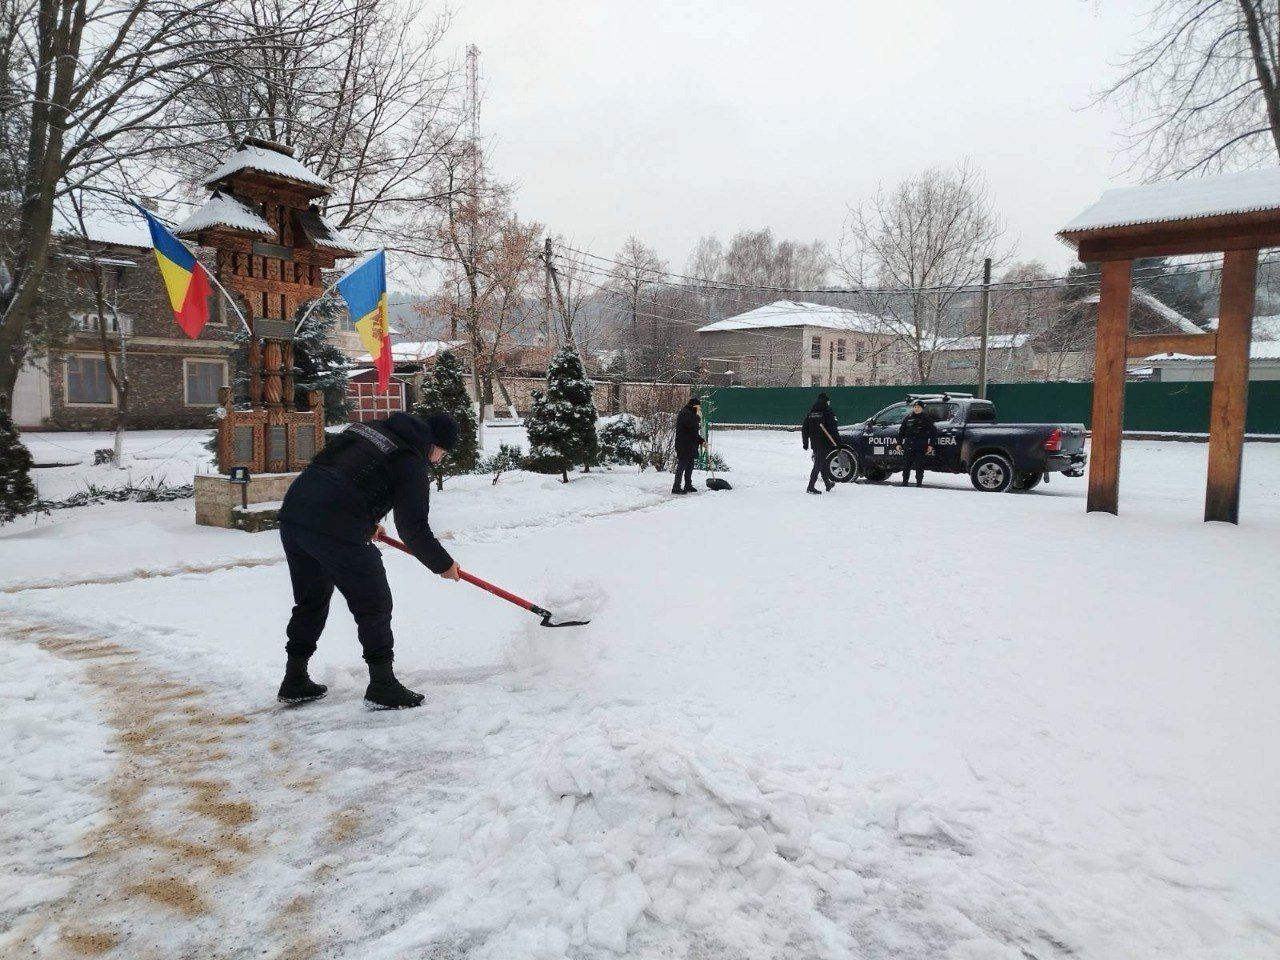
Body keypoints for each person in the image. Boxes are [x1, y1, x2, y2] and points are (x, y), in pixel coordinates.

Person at [275, 411, 461, 710]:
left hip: (295, 514)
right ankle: (382, 685)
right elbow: (413, 528)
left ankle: (294, 678)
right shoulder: (410, 460)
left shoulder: (370, 431)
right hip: (334, 524)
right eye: (443, 452)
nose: (439, 460)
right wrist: (443, 565)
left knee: (311, 600)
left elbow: (343, 475)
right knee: (374, 604)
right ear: (433, 444)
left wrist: (365, 521)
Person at [801, 393, 840, 494]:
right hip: (825, 442)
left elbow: (804, 428)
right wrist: (838, 442)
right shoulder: (827, 412)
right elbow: (833, 428)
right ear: (826, 402)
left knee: (822, 462)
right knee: (818, 463)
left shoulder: (811, 413)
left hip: (815, 442)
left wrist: (805, 442)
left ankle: (827, 483)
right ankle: (810, 486)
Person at [897, 400, 937, 487]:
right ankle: (904, 482)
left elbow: (933, 433)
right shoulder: (908, 418)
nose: (916, 409)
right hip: (909, 444)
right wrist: (899, 443)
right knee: (906, 464)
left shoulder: (926, 419)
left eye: (918, 407)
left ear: (922, 408)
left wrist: (931, 445)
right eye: (915, 407)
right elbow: (901, 431)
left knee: (919, 465)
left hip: (921, 444)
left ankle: (919, 483)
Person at [672, 396, 704, 495]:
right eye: (699, 407)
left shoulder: (691, 414)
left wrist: (701, 441)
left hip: (690, 445)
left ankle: (688, 485)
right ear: (694, 405)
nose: (700, 409)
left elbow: (693, 432)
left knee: (690, 466)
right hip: (684, 445)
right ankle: (676, 487)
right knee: (681, 466)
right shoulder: (685, 413)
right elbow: (689, 424)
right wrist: (698, 417)